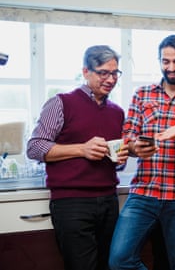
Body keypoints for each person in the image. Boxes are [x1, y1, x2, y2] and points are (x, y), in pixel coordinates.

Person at [27, 45, 130, 270]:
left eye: (115, 73)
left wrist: (120, 159)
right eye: (103, 72)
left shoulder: (117, 112)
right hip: (72, 203)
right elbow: (35, 147)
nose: (111, 79)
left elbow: (113, 163)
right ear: (86, 72)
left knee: (109, 265)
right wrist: (81, 149)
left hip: (109, 201)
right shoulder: (61, 102)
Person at [109, 35, 175, 270]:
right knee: (119, 260)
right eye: (165, 61)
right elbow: (126, 138)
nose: (171, 67)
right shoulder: (142, 94)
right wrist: (132, 148)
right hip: (143, 191)